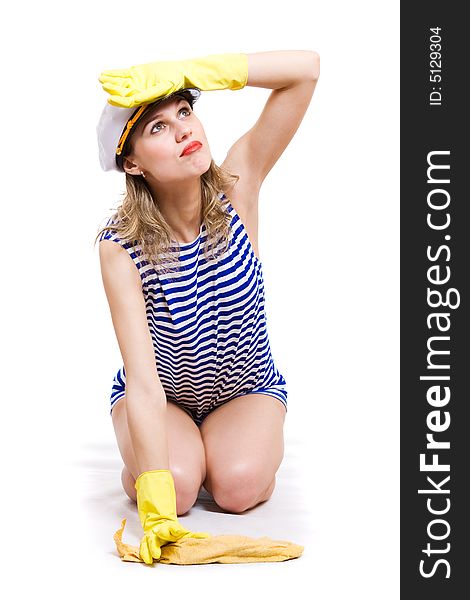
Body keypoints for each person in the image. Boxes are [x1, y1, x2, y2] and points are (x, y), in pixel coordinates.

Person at [95, 51, 320, 564]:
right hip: (164, 396)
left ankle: (222, 450)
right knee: (173, 492)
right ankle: (157, 460)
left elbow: (305, 72)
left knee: (237, 491)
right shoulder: (120, 247)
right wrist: (153, 509)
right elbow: (144, 380)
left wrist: (195, 73)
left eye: (184, 111)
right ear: (131, 162)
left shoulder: (238, 186)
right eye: (157, 127)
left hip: (246, 389)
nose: (182, 131)